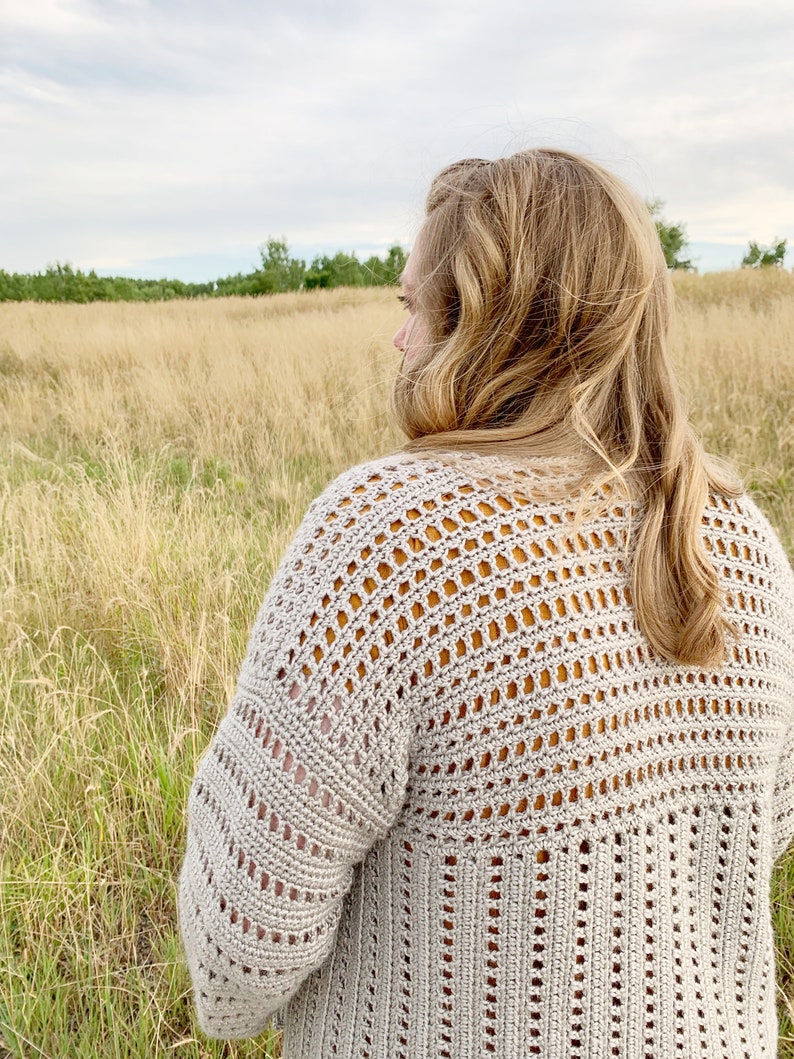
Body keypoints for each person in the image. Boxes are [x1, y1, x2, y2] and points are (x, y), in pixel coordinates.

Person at [178, 148, 794, 1058]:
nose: (398, 339)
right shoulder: (739, 536)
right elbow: (760, 832)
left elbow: (239, 948)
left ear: (479, 320)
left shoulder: (387, 536)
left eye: (411, 305)